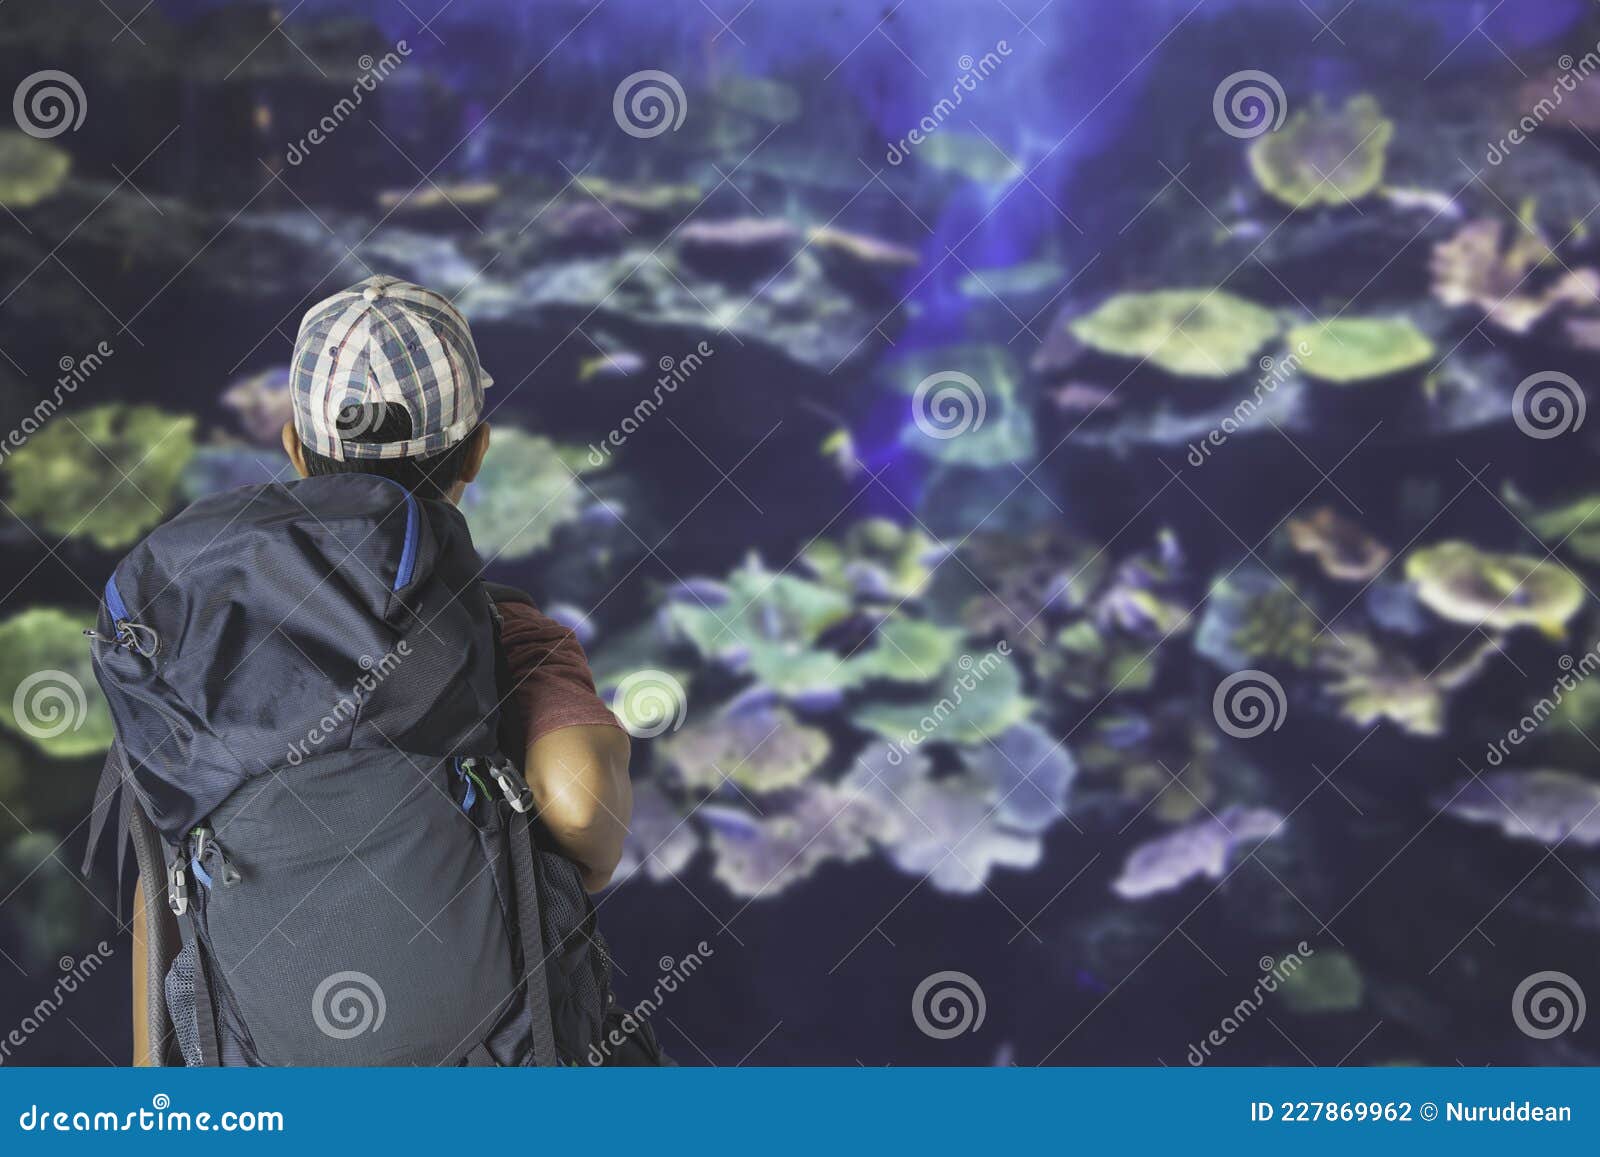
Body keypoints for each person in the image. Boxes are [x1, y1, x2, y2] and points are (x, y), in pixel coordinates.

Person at [128, 273, 631, 1065]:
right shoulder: (510, 633)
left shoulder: (204, 641)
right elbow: (576, 801)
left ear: (294, 446)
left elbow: (162, 894)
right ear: (477, 449)